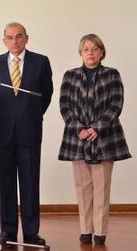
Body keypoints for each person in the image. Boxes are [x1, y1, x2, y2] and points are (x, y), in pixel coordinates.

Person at [58, 34, 131, 245]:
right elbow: (64, 105)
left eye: (94, 49)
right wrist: (79, 128)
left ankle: (100, 233)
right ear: (80, 53)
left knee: (101, 189)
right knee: (83, 188)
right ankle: (85, 230)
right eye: (86, 49)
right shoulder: (70, 76)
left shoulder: (112, 74)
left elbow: (116, 103)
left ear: (102, 52)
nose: (90, 52)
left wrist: (97, 127)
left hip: (105, 139)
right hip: (78, 140)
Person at [0, 22, 53, 245]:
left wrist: (29, 115)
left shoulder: (41, 62)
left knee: (30, 180)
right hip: (2, 131)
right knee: (4, 181)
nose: (14, 41)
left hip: (30, 130)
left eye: (19, 36)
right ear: (4, 40)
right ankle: (6, 230)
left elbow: (46, 95)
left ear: (26, 38)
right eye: (10, 37)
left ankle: (32, 232)